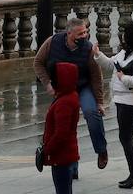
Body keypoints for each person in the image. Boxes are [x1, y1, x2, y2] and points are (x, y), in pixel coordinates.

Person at [33, 17, 109, 171]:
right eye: (80, 33)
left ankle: (101, 150)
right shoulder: (52, 42)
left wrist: (99, 102)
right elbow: (38, 62)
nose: (85, 36)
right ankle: (71, 165)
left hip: (83, 86)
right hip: (63, 89)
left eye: (86, 32)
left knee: (91, 112)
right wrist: (47, 83)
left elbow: (96, 76)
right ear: (69, 33)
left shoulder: (88, 48)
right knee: (65, 123)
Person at [98, 21, 133, 189]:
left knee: (125, 137)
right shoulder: (125, 52)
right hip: (122, 100)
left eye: (124, 34)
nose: (121, 37)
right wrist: (97, 54)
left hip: (132, 102)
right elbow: (109, 64)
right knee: (126, 137)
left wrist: (123, 78)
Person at [40, 62, 82, 194]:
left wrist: (46, 150)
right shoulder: (70, 96)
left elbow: (61, 133)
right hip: (68, 154)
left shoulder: (65, 101)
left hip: (61, 156)